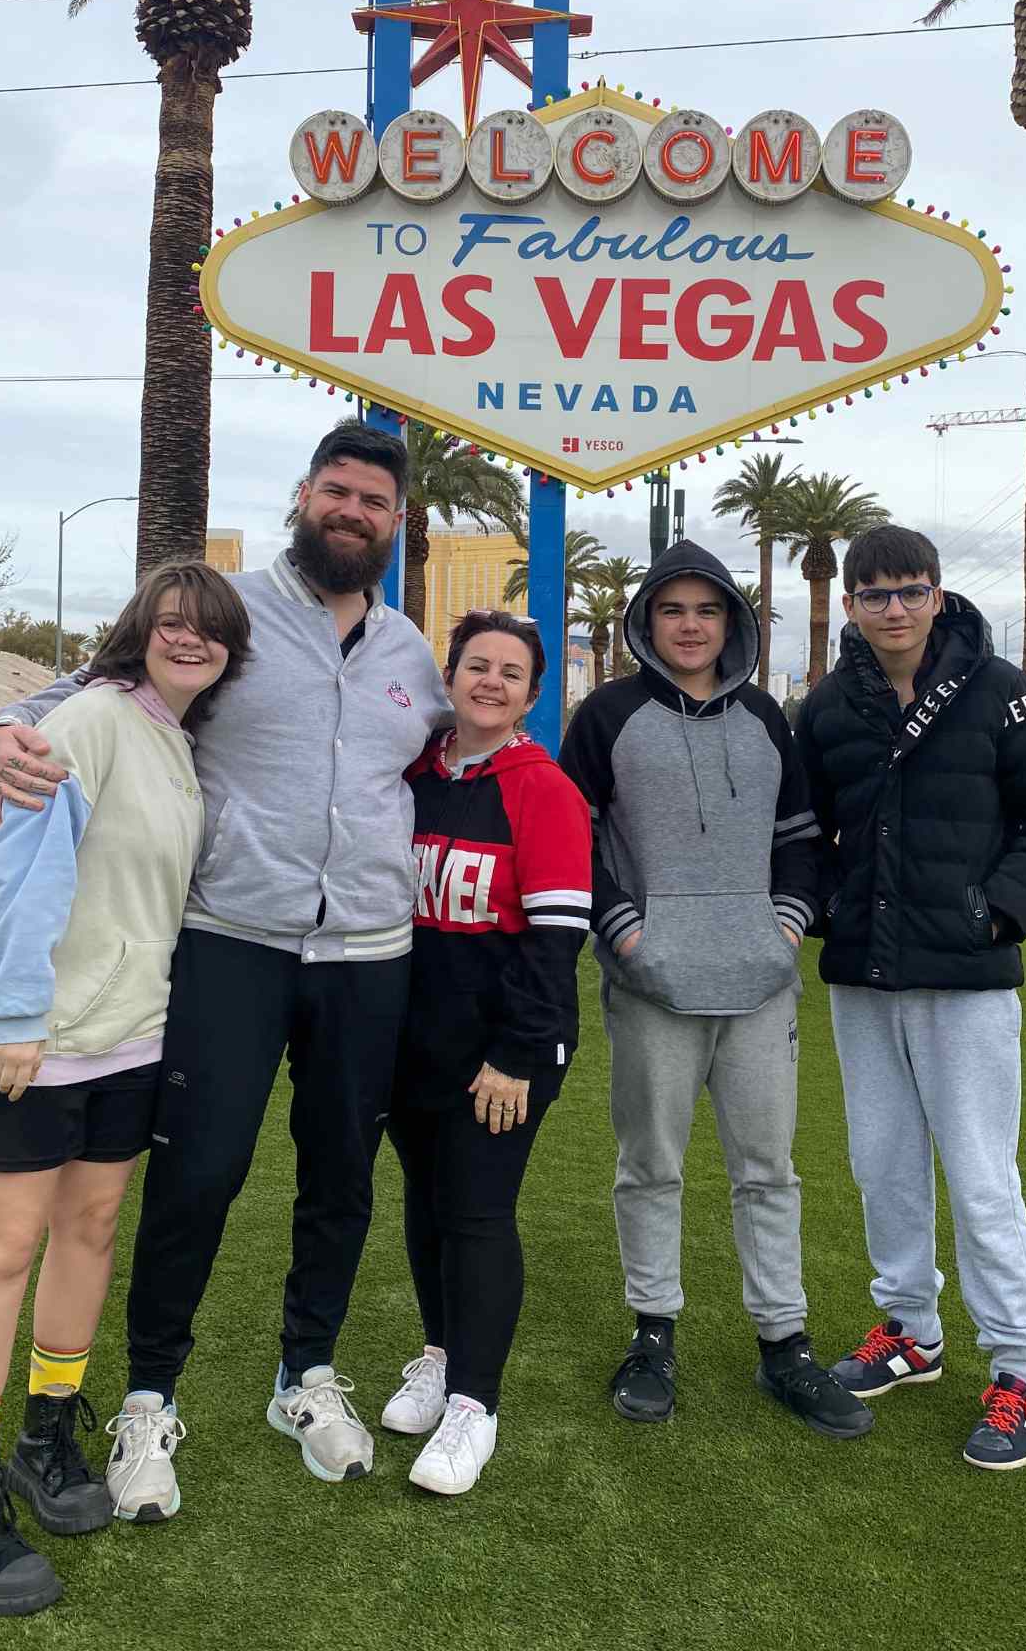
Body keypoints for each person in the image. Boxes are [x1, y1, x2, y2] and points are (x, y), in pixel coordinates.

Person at [0, 422, 450, 1514]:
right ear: (303, 495)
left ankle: (306, 1374)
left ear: (394, 521)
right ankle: (148, 1397)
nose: (352, 510)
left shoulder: (409, 653)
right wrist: (9, 723)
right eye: (336, 490)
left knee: (340, 1174)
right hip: (231, 941)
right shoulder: (231, 613)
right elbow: (95, 685)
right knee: (198, 1176)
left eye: (373, 500)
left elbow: (444, 754)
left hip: (368, 955)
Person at [0, 563, 250, 1616]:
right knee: (2, 1247)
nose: (189, 639)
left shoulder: (177, 741)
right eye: (171, 623)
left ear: (231, 649)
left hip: (124, 1036)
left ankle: (46, 1435)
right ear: (137, 632)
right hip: (33, 1037)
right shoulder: (93, 717)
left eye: (210, 629)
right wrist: (15, 1014)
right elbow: (23, 857)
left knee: (91, 1229)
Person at [559, 541, 871, 1439]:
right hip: (653, 983)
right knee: (651, 1167)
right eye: (672, 610)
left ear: (731, 621)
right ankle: (652, 1337)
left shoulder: (769, 719)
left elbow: (803, 839)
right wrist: (626, 933)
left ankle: (786, 1348)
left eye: (707, 610)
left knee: (767, 1172)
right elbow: (572, 837)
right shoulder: (609, 715)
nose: (690, 626)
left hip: (760, 984)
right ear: (646, 622)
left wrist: (782, 927)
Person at [794, 525, 1026, 1471]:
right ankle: (911, 1330)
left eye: (909, 592)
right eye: (874, 594)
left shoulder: (999, 691)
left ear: (936, 595)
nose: (893, 609)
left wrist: (1000, 911)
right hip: (865, 973)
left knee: (979, 1173)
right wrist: (818, 907)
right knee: (881, 1162)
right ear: (849, 605)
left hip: (964, 975)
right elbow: (803, 824)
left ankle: (1019, 1373)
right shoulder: (829, 703)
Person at [379, 610, 591, 1496]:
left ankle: (476, 1402)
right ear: (451, 675)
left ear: (533, 693)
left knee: (476, 1212)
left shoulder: (541, 787)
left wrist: (513, 1052)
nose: (491, 682)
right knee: (427, 1207)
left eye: (511, 672)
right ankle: (439, 1353)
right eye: (477, 665)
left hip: (503, 1047)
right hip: (413, 1040)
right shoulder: (415, 776)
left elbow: (555, 939)